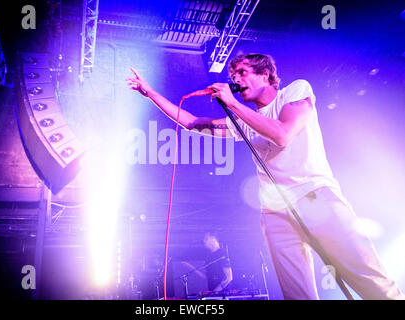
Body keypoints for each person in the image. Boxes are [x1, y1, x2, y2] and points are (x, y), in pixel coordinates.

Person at [126, 53, 405, 300]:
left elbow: (282, 135)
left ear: (266, 74)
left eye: (242, 73)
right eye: (233, 75)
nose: (236, 79)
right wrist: (150, 93)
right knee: (298, 296)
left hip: (316, 197)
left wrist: (232, 104)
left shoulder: (295, 91)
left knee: (369, 279)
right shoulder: (243, 122)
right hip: (274, 213)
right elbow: (190, 122)